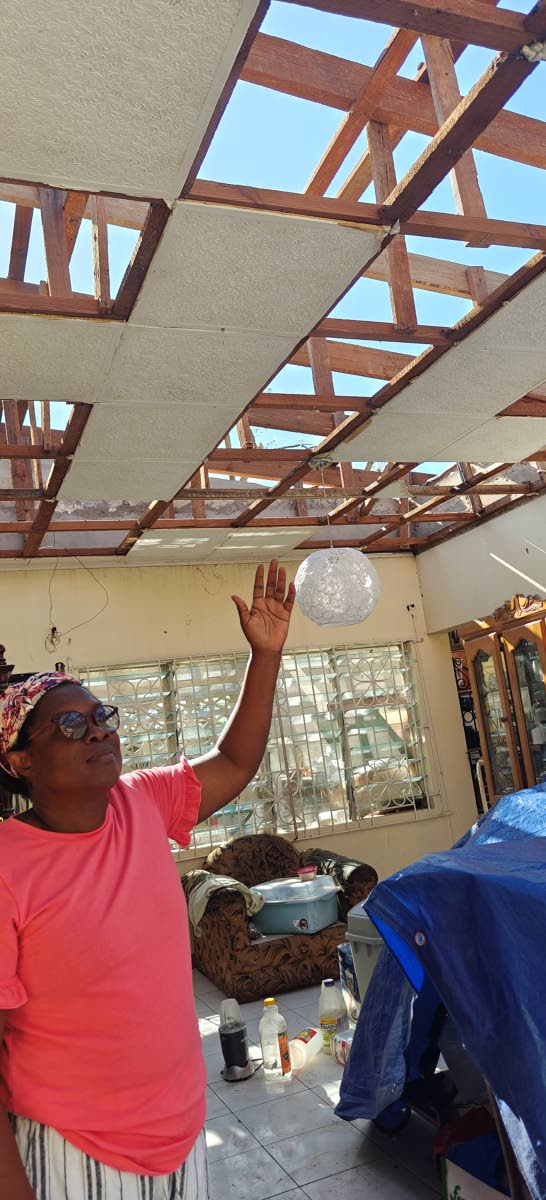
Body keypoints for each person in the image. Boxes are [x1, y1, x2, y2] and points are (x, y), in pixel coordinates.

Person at [0, 560, 296, 1200]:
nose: (99, 727)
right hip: (74, 1149)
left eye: (100, 713)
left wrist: (265, 656)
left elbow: (238, 761)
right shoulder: (6, 866)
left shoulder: (141, 800)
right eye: (70, 723)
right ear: (20, 760)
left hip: (182, 1132)